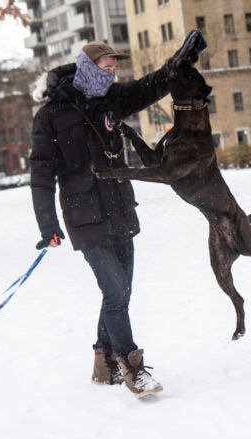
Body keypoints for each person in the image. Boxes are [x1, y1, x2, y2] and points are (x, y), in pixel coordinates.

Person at [30, 41, 181, 398]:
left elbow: (148, 87)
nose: (112, 75)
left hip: (120, 211)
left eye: (115, 70)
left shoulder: (111, 100)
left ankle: (103, 363)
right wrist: (47, 224)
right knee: (115, 293)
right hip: (85, 218)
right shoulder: (51, 115)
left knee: (120, 292)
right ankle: (132, 366)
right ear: (87, 67)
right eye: (106, 69)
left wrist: (178, 65)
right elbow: (40, 173)